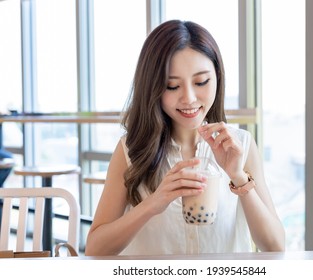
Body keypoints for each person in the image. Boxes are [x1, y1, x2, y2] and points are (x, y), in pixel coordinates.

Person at [85, 20, 285, 256]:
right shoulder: (130, 150)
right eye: (171, 86)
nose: (189, 98)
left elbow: (275, 246)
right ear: (153, 88)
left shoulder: (240, 144)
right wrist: (153, 204)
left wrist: (238, 177)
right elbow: (95, 248)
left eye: (201, 82)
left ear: (217, 78)